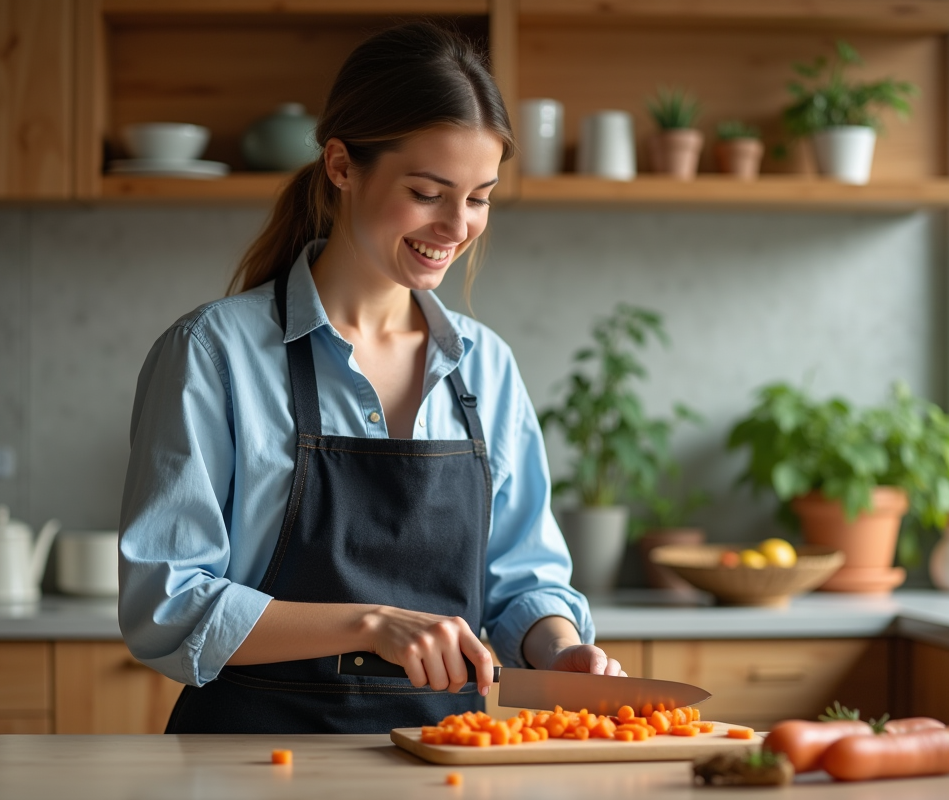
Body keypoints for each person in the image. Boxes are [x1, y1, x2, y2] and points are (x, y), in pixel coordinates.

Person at [118, 20, 622, 735]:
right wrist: (371, 624)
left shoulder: (485, 366)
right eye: (427, 192)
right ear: (342, 165)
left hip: (448, 758)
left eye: (478, 197)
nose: (456, 225)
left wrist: (561, 650)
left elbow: (522, 581)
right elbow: (166, 603)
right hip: (251, 762)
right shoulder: (214, 353)